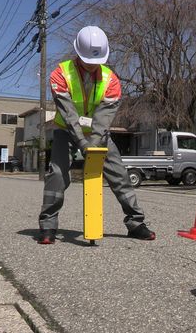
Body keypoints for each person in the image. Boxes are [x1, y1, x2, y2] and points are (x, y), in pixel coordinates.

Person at [38, 25, 155, 244]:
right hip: (66, 131)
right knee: (57, 174)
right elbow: (68, 113)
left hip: (98, 134)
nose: (92, 66)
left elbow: (103, 118)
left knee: (119, 173)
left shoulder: (111, 80)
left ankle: (136, 222)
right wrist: (81, 143)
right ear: (78, 54)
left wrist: (92, 144)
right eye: (88, 61)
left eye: (97, 62)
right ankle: (48, 225)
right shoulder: (60, 74)